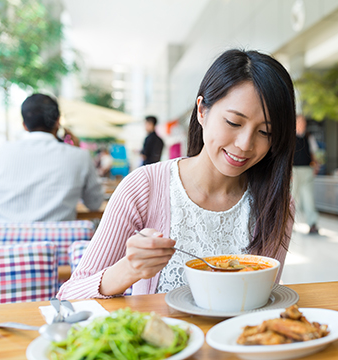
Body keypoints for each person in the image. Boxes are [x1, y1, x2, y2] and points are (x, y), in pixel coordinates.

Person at [57, 49, 296, 299]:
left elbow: (262, 297)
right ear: (202, 111)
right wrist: (128, 269)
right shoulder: (144, 187)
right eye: (234, 123)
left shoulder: (275, 203)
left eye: (265, 133)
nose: (245, 144)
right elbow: (70, 295)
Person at [0, 94, 104, 222]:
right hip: (60, 241)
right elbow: (95, 203)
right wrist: (76, 149)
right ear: (58, 122)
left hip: (5, 240)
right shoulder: (80, 156)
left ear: (24, 125)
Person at [292, 114, 319, 235]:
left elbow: (314, 153)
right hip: (293, 171)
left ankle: (312, 223)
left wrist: (316, 165)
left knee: (309, 198)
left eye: (303, 123)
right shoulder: (290, 138)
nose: (302, 125)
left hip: (307, 170)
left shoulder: (309, 137)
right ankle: (288, 224)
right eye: (299, 122)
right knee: (292, 198)